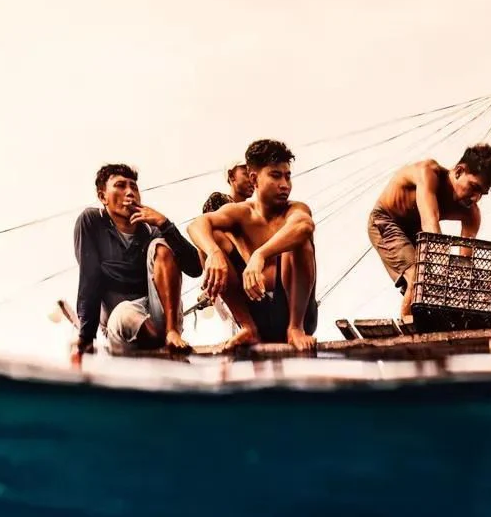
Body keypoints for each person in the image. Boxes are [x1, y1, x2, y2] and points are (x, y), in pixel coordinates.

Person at [188, 138, 319, 352]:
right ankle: (247, 327)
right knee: (213, 238)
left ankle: (295, 328)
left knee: (300, 242)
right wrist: (213, 253)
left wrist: (260, 255)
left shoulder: (295, 209)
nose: (285, 185)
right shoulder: (241, 213)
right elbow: (197, 224)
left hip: (295, 316)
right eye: (275, 176)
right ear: (254, 178)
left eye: (287, 176)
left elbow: (304, 226)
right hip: (255, 313)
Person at [70, 162, 200, 365]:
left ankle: (171, 334)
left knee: (162, 245)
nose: (130, 192)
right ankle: (161, 346)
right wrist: (86, 338)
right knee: (125, 312)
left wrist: (165, 225)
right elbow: (90, 278)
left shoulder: (150, 230)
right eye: (121, 186)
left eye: (134, 187)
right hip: (120, 322)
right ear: (103, 196)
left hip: (161, 319)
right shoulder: (92, 221)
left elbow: (195, 268)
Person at [364, 144, 491, 313]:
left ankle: (424, 324)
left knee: (436, 286)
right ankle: (408, 334)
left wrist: (468, 286)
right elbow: (430, 225)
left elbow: (465, 264)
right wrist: (441, 272)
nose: (476, 198)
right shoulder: (428, 172)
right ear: (459, 171)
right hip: (386, 220)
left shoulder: (472, 214)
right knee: (418, 276)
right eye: (474, 187)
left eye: (482, 193)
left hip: (416, 231)